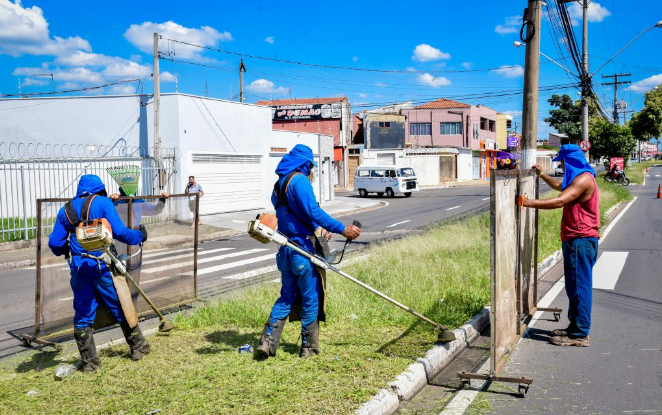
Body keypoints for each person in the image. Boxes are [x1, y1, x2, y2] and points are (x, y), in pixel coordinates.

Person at [256, 144, 361, 359]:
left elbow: (296, 216)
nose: (312, 171)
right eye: (311, 166)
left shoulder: (279, 185)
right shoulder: (300, 181)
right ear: (304, 163)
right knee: (310, 296)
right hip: (302, 250)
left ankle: (267, 342)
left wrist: (318, 228)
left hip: (285, 250)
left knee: (286, 297)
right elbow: (313, 210)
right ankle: (309, 348)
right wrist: (342, 228)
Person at [48, 175, 149, 372]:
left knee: (83, 316)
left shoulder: (66, 210)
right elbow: (119, 231)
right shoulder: (102, 203)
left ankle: (89, 362)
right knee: (120, 306)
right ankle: (139, 348)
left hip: (79, 270)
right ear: (100, 189)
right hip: (101, 268)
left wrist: (66, 250)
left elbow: (55, 243)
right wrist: (139, 236)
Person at [516, 144, 599, 347]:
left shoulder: (583, 179)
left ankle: (579, 334)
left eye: (562, 162)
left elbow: (560, 201)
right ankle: (575, 327)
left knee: (579, 288)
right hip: (577, 240)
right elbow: (560, 185)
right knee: (574, 287)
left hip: (580, 240)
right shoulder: (579, 178)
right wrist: (542, 175)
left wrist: (527, 203)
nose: (561, 165)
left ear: (569, 161)